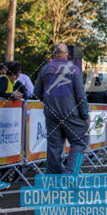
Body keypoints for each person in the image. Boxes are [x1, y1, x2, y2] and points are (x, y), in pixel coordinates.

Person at [34, 43, 89, 174]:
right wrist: (85, 115)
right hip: (71, 113)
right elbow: (80, 95)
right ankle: (70, 174)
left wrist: (49, 103)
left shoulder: (45, 69)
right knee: (80, 142)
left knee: (54, 146)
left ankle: (53, 179)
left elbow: (36, 92)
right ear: (67, 54)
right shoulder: (74, 70)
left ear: (53, 54)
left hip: (51, 113)